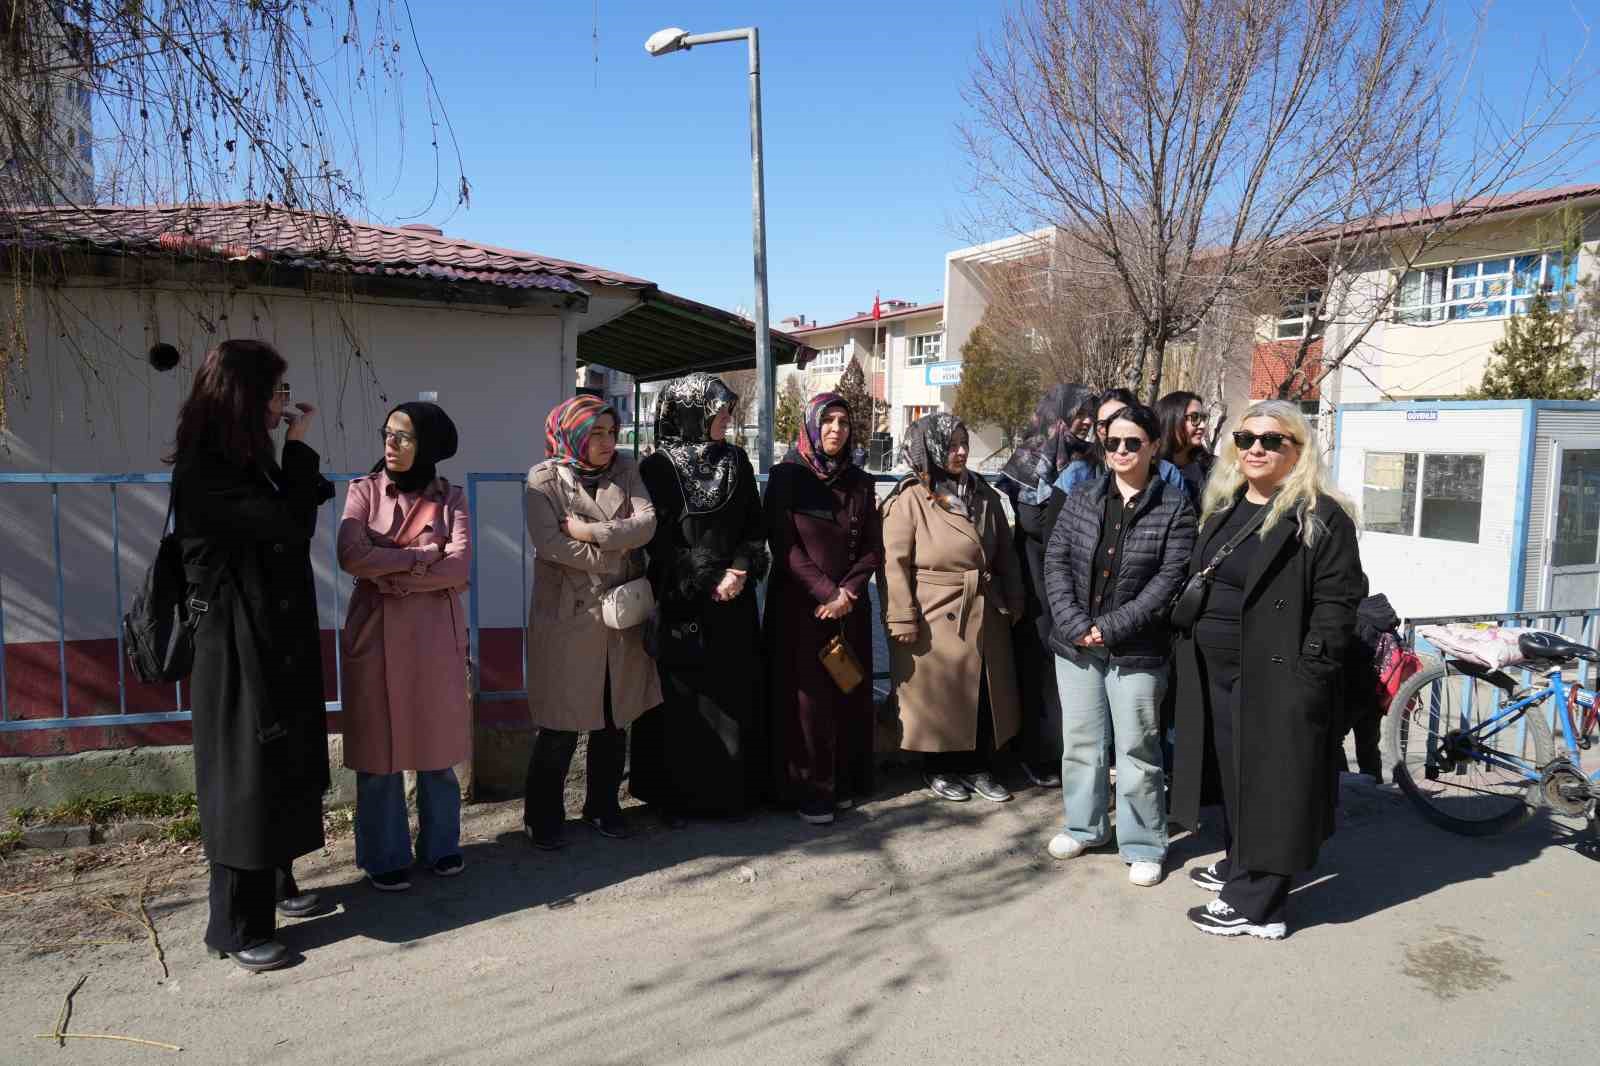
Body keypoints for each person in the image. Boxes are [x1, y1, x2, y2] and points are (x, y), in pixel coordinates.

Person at [1171, 400, 1363, 940]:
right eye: (1246, 438)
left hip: (1279, 675)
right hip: (1220, 669)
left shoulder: (1320, 515)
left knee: (1273, 784)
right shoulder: (1227, 503)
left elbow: (1337, 603)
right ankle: (1241, 861)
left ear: (1297, 451)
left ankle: (1260, 902)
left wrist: (1310, 675)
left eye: (1272, 440)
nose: (1255, 448)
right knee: (1237, 777)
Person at [170, 339, 333, 973]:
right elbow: (287, 525)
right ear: (243, 395)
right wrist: (295, 451)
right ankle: (236, 925)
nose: (282, 403)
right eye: (273, 393)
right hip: (236, 644)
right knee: (245, 776)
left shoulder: (244, 453)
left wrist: (293, 449)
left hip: (270, 635)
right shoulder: (208, 463)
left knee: (282, 762)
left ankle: (277, 885)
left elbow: (302, 505)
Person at [1042, 403, 1195, 886]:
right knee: (1082, 744)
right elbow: (1056, 561)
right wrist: (1073, 623)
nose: (1122, 451)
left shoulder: (1175, 505)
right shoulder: (1083, 496)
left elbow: (1170, 580)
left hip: (1137, 649)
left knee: (1137, 750)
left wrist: (1109, 627)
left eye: (1133, 442)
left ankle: (1143, 842)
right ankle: (1085, 826)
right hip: (1077, 646)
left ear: (1152, 445)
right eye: (1113, 443)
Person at [337, 402, 471, 890]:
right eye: (388, 434)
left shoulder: (451, 499)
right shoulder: (363, 492)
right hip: (374, 634)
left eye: (405, 437)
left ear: (429, 446)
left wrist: (391, 570)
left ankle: (442, 846)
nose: (391, 445)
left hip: (435, 635)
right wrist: (420, 560)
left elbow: (458, 568)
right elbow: (351, 556)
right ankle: (384, 855)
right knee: (378, 755)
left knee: (436, 750)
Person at [522, 395, 660, 847]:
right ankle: (542, 817)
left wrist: (593, 533)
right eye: (595, 432)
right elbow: (551, 544)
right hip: (568, 617)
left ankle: (603, 805)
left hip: (619, 613)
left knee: (613, 717)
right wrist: (617, 549)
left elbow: (648, 523)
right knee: (561, 724)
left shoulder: (626, 467)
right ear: (573, 434)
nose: (606, 441)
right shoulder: (543, 479)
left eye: (610, 431)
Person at [633, 373, 769, 820]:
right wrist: (704, 576)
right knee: (682, 699)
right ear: (692, 412)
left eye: (728, 409)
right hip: (682, 598)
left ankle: (730, 794)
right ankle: (676, 798)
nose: (727, 417)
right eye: (719, 410)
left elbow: (754, 523)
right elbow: (657, 537)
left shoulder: (737, 460)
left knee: (732, 693)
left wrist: (741, 569)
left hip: (734, 599)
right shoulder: (656, 467)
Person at [881, 413, 1024, 803]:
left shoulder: (982, 493)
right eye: (951, 444)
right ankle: (937, 767)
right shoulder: (910, 497)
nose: (961, 451)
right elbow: (893, 565)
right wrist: (901, 616)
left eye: (964, 443)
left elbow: (1006, 554)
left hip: (983, 604)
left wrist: (1014, 601)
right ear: (930, 447)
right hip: (934, 610)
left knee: (981, 693)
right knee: (940, 693)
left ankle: (979, 766)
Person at [764, 392, 884, 824]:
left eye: (844, 422)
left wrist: (847, 593)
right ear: (812, 425)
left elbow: (873, 547)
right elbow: (785, 546)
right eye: (828, 421)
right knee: (807, 700)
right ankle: (809, 789)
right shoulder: (786, 477)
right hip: (801, 608)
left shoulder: (860, 481)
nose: (836, 429)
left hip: (847, 610)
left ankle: (843, 781)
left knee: (847, 690)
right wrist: (825, 593)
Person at [999, 383, 1095, 788]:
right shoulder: (1030, 458)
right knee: (1038, 663)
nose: (1087, 422)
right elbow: (1033, 523)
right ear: (1060, 415)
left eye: (1091, 414)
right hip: (1036, 576)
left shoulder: (1087, 459)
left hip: (1074, 577)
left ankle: (1064, 749)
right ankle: (1036, 753)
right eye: (1080, 414)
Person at [1053, 388, 1186, 500]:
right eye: (1102, 424)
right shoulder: (1076, 474)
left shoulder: (1167, 474)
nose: (1111, 430)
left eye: (1119, 418)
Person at [1155, 390, 1214, 506]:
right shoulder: (1151, 469)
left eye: (1204, 418)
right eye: (1194, 418)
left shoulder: (1212, 467)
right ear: (1171, 419)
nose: (1202, 426)